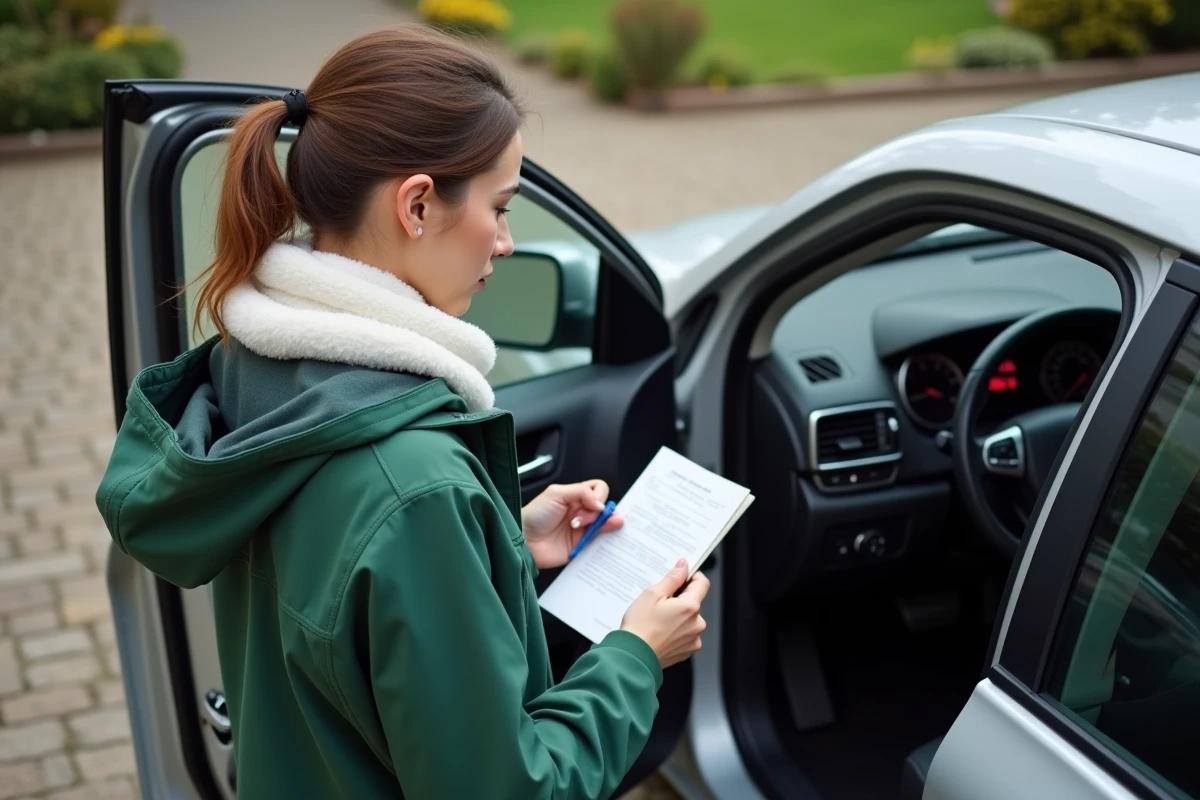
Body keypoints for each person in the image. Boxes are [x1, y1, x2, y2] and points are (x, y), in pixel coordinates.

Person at [94, 25, 710, 800]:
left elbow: (338, 602)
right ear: (417, 204)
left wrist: (504, 542)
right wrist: (636, 656)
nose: (506, 242)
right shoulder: (417, 487)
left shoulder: (253, 367)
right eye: (500, 206)